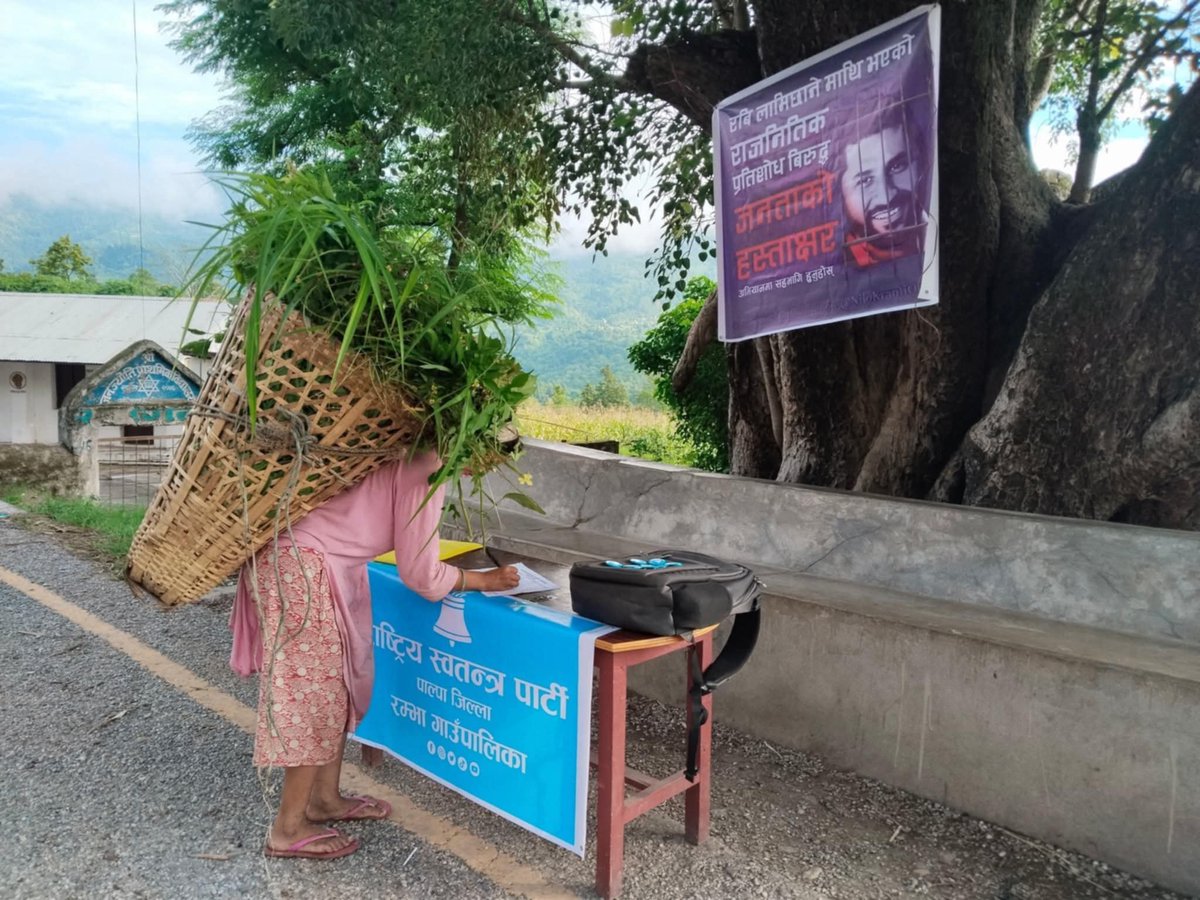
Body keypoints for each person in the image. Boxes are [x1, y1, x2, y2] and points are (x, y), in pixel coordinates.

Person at [229, 450, 520, 860]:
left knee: (340, 685)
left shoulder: (406, 449)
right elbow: (420, 572)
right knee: (316, 697)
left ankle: (324, 800)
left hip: (308, 558)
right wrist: (481, 580)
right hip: (304, 564)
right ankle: (287, 828)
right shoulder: (427, 469)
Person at [833, 94, 930, 268]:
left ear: (922, 161)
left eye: (898, 167)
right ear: (841, 192)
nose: (886, 197)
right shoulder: (834, 272)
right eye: (865, 181)